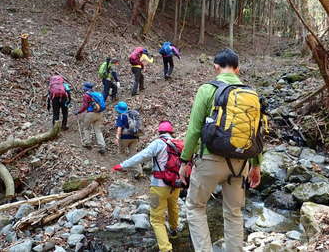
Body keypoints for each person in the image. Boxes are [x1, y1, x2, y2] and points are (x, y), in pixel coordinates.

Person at [179, 49, 263, 252]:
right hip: (240, 163)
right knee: (234, 212)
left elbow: (195, 129)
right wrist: (256, 165)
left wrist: (185, 160)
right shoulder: (252, 94)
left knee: (195, 207)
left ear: (216, 67)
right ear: (237, 69)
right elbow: (257, 133)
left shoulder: (207, 90)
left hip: (210, 160)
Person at [112, 121, 180, 252]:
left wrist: (123, 165)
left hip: (159, 186)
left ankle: (166, 249)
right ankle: (174, 230)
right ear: (171, 132)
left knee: (156, 219)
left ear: (159, 132)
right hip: (175, 185)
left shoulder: (158, 143)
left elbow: (141, 156)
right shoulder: (178, 143)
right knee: (173, 207)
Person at [73, 82, 106, 154]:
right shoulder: (98, 94)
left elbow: (85, 106)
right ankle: (102, 146)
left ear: (85, 88)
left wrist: (78, 112)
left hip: (91, 114)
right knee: (98, 130)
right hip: (100, 113)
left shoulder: (86, 95)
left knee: (86, 128)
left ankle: (87, 143)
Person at [114, 101, 142, 177]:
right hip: (135, 137)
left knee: (121, 152)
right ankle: (138, 171)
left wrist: (117, 137)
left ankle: (124, 168)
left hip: (125, 138)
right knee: (133, 154)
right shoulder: (132, 115)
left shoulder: (121, 116)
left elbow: (119, 128)